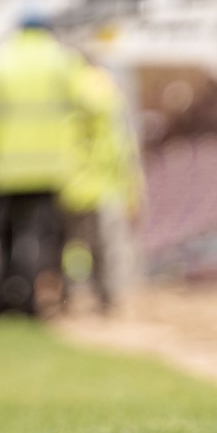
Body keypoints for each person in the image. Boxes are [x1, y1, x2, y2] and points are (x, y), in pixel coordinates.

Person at [0, 8, 83, 317]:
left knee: (5, 238)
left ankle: (2, 301)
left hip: (5, 170)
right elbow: (81, 109)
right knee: (37, 237)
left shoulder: (1, 61)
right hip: (49, 169)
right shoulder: (62, 61)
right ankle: (31, 302)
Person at [60, 64, 144, 315]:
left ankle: (68, 298)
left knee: (70, 247)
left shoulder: (67, 97)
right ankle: (107, 299)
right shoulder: (109, 106)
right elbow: (122, 153)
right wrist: (133, 191)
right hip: (103, 188)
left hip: (69, 187)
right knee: (106, 250)